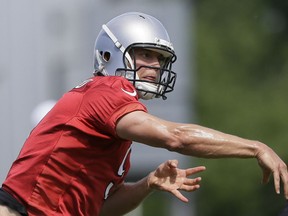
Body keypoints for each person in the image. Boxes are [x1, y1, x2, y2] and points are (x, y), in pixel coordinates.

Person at [0, 11, 287, 216]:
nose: (156, 66)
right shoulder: (108, 91)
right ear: (110, 54)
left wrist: (148, 184)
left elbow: (100, 209)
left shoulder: (116, 118)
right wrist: (255, 147)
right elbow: (177, 137)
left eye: (160, 59)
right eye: (146, 55)